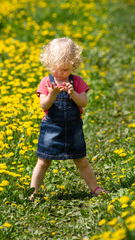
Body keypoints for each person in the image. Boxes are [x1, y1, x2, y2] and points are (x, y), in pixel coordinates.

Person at [30, 37, 108, 199]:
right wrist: (52, 94)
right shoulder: (46, 82)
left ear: (74, 64)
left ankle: (95, 187)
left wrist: (73, 94)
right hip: (51, 128)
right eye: (55, 69)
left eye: (65, 70)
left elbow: (84, 102)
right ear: (48, 65)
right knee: (43, 161)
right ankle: (32, 192)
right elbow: (44, 105)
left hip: (73, 129)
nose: (60, 73)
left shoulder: (77, 81)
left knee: (81, 161)